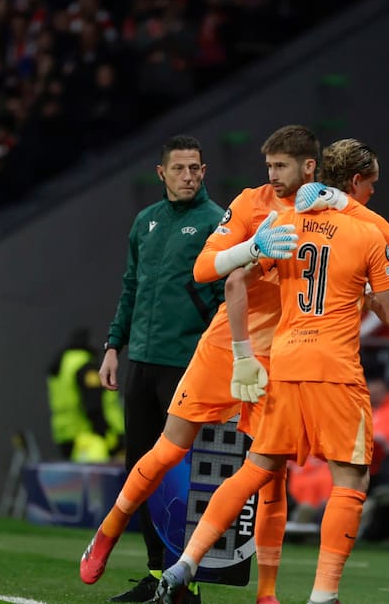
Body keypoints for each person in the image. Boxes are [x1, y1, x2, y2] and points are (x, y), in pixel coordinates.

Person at [80, 126, 312, 603]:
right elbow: (194, 275)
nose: (272, 176)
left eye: (281, 166)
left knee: (262, 471)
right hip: (194, 353)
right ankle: (114, 539)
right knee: (156, 456)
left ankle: (251, 590)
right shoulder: (231, 207)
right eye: (268, 166)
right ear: (161, 172)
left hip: (266, 357)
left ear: (310, 168)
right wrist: (113, 345)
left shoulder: (323, 216)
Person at [151, 180, 389, 604]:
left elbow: (233, 283)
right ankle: (323, 596)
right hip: (335, 370)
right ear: (358, 186)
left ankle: (186, 562)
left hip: (284, 364)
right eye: (374, 183)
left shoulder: (285, 225)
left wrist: (242, 354)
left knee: (255, 469)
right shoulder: (367, 233)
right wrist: (367, 294)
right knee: (350, 478)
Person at [85, 135, 225, 602]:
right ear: (160, 173)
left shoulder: (217, 222)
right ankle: (153, 573)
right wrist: (112, 347)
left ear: (204, 172)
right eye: (180, 168)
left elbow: (228, 298)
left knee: (182, 476)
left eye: (196, 168)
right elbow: (131, 288)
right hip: (141, 363)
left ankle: (185, 579)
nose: (190, 176)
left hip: (187, 365)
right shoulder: (145, 222)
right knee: (139, 470)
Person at [47, 328, 125, 463]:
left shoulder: (62, 364)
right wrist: (107, 434)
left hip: (65, 434)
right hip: (91, 438)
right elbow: (93, 404)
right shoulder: (84, 365)